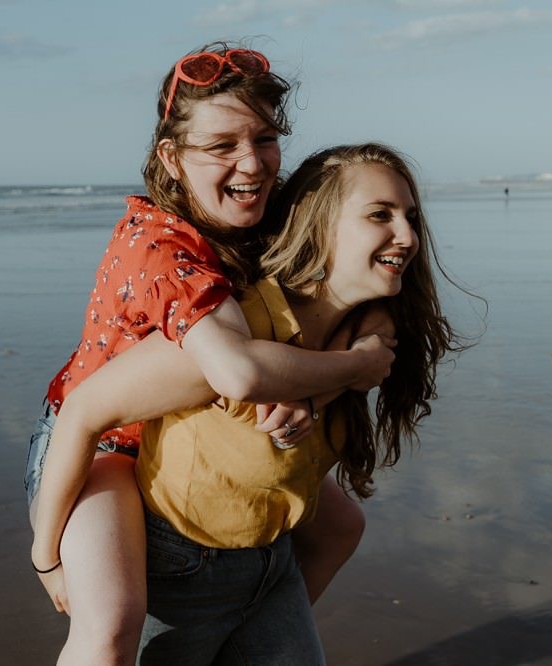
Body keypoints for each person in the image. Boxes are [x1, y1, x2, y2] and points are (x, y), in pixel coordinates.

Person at [26, 43, 394, 664]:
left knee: (341, 527)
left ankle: (245, 632)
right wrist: (46, 555)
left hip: (193, 432)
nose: (251, 162)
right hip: (105, 442)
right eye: (221, 145)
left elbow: (351, 279)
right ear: (172, 157)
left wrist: (338, 365)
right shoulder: (162, 247)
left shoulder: (259, 218)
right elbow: (237, 370)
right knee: (111, 622)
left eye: (265, 138)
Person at [49, 143, 465, 663]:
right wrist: (48, 559)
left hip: (273, 570)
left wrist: (321, 392)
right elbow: (83, 410)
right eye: (380, 215)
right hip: (175, 571)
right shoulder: (231, 334)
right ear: (318, 225)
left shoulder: (371, 341)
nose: (407, 236)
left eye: (411, 217)